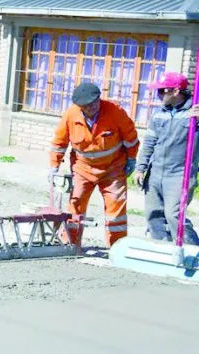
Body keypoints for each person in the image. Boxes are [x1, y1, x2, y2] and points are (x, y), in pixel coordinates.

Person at [49, 82, 139, 248]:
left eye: (94, 103)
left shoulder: (115, 112)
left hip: (113, 168)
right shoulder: (70, 115)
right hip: (82, 168)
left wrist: (131, 159)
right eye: (86, 106)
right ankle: (70, 244)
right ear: (79, 106)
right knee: (75, 206)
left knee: (116, 212)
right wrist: (54, 166)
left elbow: (131, 137)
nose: (91, 108)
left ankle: (117, 247)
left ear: (99, 99)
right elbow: (59, 143)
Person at [134, 73, 199, 244]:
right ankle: (162, 250)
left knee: (174, 216)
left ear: (176, 91)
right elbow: (149, 142)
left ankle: (194, 252)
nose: (159, 95)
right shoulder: (158, 114)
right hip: (155, 172)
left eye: (162, 91)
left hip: (179, 174)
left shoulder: (195, 113)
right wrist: (140, 168)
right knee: (153, 215)